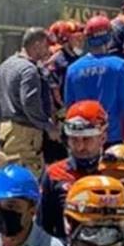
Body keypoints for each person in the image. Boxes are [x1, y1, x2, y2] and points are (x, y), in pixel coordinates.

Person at [0, 27, 58, 176]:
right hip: (25, 133)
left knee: (9, 173)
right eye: (46, 45)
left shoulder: (7, 64)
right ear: (36, 45)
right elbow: (29, 103)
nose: (47, 50)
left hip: (6, 130)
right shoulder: (29, 70)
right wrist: (49, 127)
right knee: (27, 176)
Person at [65, 15, 124, 146]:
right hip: (110, 137)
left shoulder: (73, 69)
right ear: (109, 37)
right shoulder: (119, 65)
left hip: (82, 139)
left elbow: (70, 106)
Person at [38, 100, 109, 240]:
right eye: (74, 140)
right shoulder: (54, 174)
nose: (80, 147)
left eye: (87, 139)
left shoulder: (116, 172)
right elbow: (43, 226)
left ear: (103, 138)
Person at [44, 20, 84, 164]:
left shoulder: (80, 59)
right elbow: (53, 92)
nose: (81, 42)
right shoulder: (57, 62)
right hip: (62, 116)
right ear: (66, 40)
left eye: (82, 38)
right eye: (77, 39)